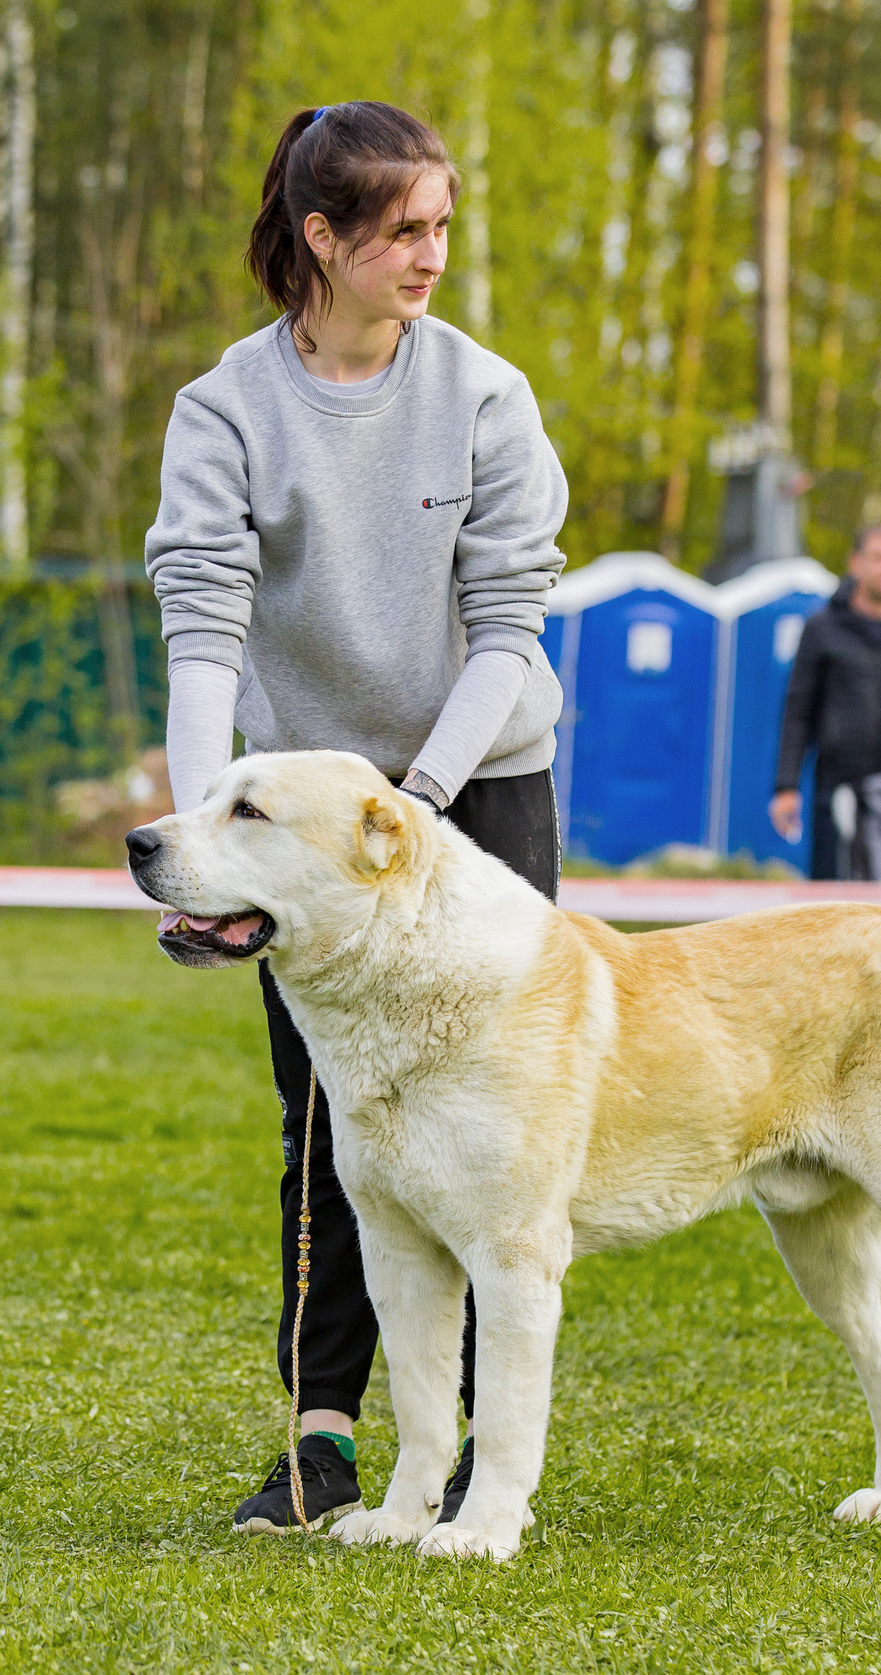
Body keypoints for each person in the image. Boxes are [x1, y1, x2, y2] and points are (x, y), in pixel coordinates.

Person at [144, 101, 569, 1534]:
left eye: (444, 224)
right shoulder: (225, 410)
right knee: (327, 1117)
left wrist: (424, 800)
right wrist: (205, 818)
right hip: (297, 812)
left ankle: (469, 1454)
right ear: (323, 237)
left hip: (476, 783)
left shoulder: (487, 396)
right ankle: (320, 1439)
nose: (433, 253)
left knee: (494, 1122)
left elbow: (509, 621)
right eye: (404, 230)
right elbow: (203, 623)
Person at [769, 523, 881, 878]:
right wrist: (785, 786)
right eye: (879, 558)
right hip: (838, 790)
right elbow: (797, 711)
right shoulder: (822, 627)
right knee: (832, 909)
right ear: (856, 563)